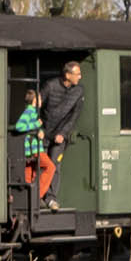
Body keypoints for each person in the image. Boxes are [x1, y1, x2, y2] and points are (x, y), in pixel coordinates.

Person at [36, 58, 87, 211]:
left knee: (55, 165)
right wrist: (36, 123)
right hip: (43, 133)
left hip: (60, 136)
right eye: (77, 74)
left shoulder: (79, 91)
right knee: (41, 165)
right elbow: (37, 104)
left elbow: (74, 116)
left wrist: (63, 134)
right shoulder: (50, 86)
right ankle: (37, 197)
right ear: (67, 75)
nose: (80, 76)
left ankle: (51, 199)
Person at [14, 87, 47, 206]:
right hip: (33, 149)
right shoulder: (29, 112)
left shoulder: (33, 112)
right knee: (50, 167)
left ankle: (28, 199)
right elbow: (19, 126)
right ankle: (37, 195)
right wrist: (36, 124)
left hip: (31, 149)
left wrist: (40, 131)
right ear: (35, 101)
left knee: (29, 175)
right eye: (40, 98)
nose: (41, 100)